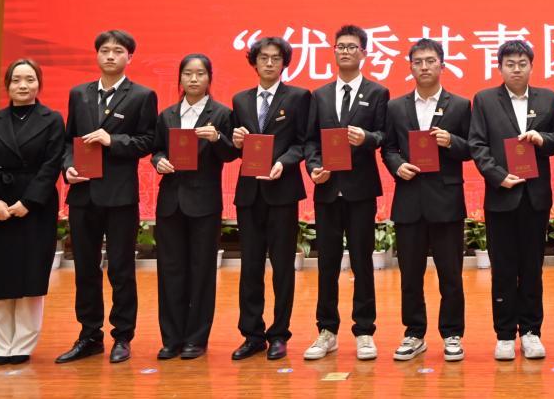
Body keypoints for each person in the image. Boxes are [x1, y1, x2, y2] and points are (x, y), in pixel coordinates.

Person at [56, 29, 158, 364]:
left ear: (130, 57)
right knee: (85, 268)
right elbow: (68, 141)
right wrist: (68, 167)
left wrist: (113, 141)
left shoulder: (142, 95)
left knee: (121, 269)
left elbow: (147, 142)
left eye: (117, 51)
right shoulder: (79, 94)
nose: (110, 55)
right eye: (104, 50)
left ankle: (122, 336)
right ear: (97, 55)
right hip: (83, 194)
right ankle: (89, 335)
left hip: (119, 197)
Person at [302, 25, 391, 362]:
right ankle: (326, 331)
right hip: (327, 188)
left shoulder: (378, 92)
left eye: (352, 47)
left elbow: (383, 136)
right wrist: (314, 167)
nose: (345, 51)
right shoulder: (319, 95)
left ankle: (364, 331)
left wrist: (366, 138)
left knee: (362, 262)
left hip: (360, 190)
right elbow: (311, 140)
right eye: (340, 46)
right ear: (334, 51)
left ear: (364, 53)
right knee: (326, 263)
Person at [468, 39, 554, 361]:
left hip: (535, 197)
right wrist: (498, 176)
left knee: (533, 267)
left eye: (522, 64)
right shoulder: (484, 100)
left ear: (531, 66)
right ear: (500, 67)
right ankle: (505, 334)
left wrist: (542, 138)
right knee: (504, 268)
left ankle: (532, 332)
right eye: (510, 64)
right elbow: (477, 145)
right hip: (501, 196)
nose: (516, 69)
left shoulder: (547, 99)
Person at [381, 38, 473, 362]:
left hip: (446, 200)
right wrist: (397, 166)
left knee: (451, 275)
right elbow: (388, 148)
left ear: (442, 65)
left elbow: (472, 148)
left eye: (430, 61)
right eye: (418, 62)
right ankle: (414, 333)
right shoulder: (395, 107)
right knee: (410, 274)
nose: (424, 67)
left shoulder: (459, 105)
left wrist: (451, 141)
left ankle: (452, 333)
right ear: (410, 67)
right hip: (409, 199)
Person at [0, 59, 65, 365]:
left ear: (39, 84)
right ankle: (0, 346)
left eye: (30, 79)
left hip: (34, 208)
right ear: (8, 85)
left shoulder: (52, 119)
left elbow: (51, 165)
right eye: (16, 80)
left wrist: (29, 202)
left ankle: (23, 344)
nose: (23, 85)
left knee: (30, 276)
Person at [229, 36, 312, 362]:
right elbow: (237, 146)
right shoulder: (240, 100)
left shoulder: (298, 97)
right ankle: (252, 335)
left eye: (276, 58)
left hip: (282, 192)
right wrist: (236, 141)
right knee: (250, 266)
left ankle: (279, 334)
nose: (269, 63)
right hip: (249, 193)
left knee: (282, 267)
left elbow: (303, 143)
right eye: (263, 57)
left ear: (284, 63)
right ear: (254, 61)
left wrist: (284, 163)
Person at [149, 53, 237, 360]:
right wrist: (159, 161)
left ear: (209, 78)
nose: (194, 79)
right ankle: (171, 338)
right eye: (188, 73)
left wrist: (217, 138)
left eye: (200, 73)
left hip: (204, 203)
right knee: (169, 270)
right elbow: (156, 150)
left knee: (201, 271)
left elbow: (232, 154)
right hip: (170, 202)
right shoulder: (167, 115)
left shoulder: (222, 114)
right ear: (180, 78)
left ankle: (196, 339)